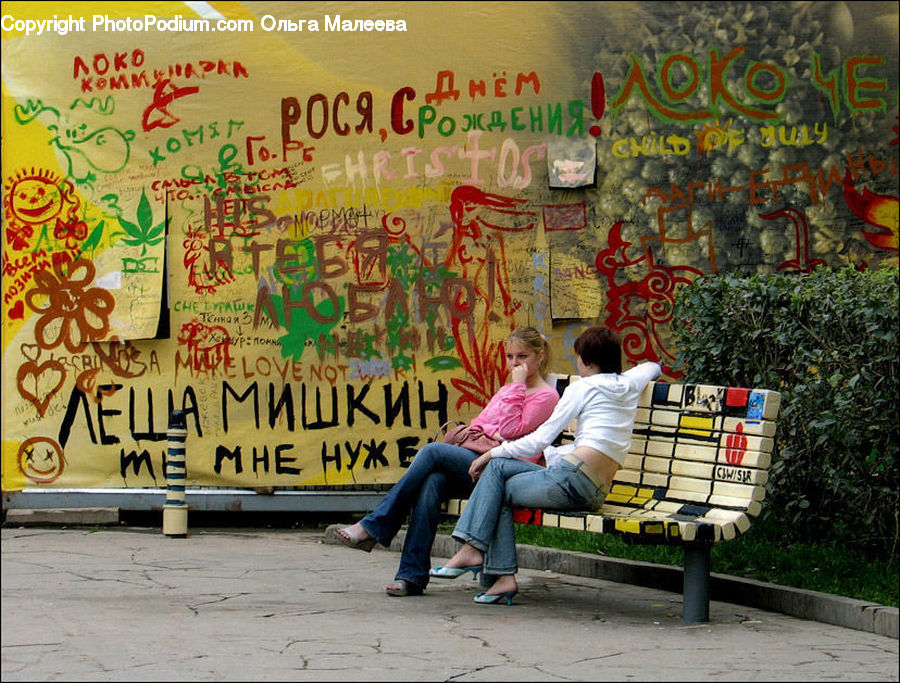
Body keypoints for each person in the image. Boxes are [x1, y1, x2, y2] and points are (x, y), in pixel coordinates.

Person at [431, 325, 661, 605]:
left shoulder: (583, 387)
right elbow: (652, 366)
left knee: (496, 478)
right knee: (497, 477)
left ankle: (475, 552)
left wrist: (490, 454)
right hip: (597, 489)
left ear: (586, 361)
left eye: (578, 357)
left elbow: (539, 440)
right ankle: (495, 573)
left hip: (572, 481)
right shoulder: (629, 383)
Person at [334, 326, 560, 597]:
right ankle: (411, 577)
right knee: (432, 482)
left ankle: (377, 525)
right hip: (480, 461)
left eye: (521, 356)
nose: (514, 364)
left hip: (502, 473)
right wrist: (498, 426)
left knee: (432, 452)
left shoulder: (546, 396)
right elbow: (480, 424)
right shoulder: (507, 390)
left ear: (540, 355)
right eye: (510, 357)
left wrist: (517, 390)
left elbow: (511, 431)